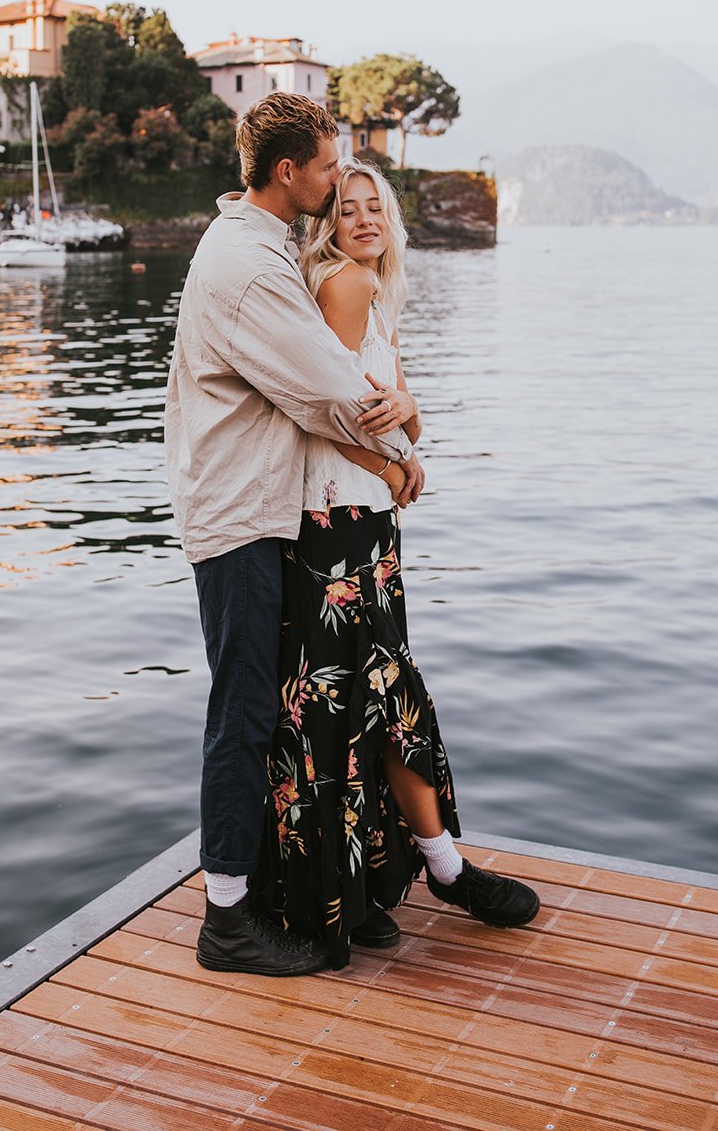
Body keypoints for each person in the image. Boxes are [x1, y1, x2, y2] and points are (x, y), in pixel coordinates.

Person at [250, 160, 540, 966]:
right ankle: (438, 868)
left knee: (358, 703)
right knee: (367, 697)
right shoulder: (344, 285)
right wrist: (388, 464)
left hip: (365, 522)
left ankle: (371, 891)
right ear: (328, 222)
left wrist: (407, 431)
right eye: (348, 208)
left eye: (375, 207)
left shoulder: (380, 294)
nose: (364, 219)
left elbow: (402, 422)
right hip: (338, 520)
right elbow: (319, 409)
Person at [165, 94, 423, 978]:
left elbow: (336, 378)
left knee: (273, 710)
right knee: (240, 716)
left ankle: (288, 890)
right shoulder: (247, 265)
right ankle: (226, 922)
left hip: (261, 507)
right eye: (326, 167)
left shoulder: (263, 245)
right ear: (289, 172)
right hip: (239, 515)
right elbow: (323, 387)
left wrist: (404, 418)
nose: (334, 178)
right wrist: (396, 459)